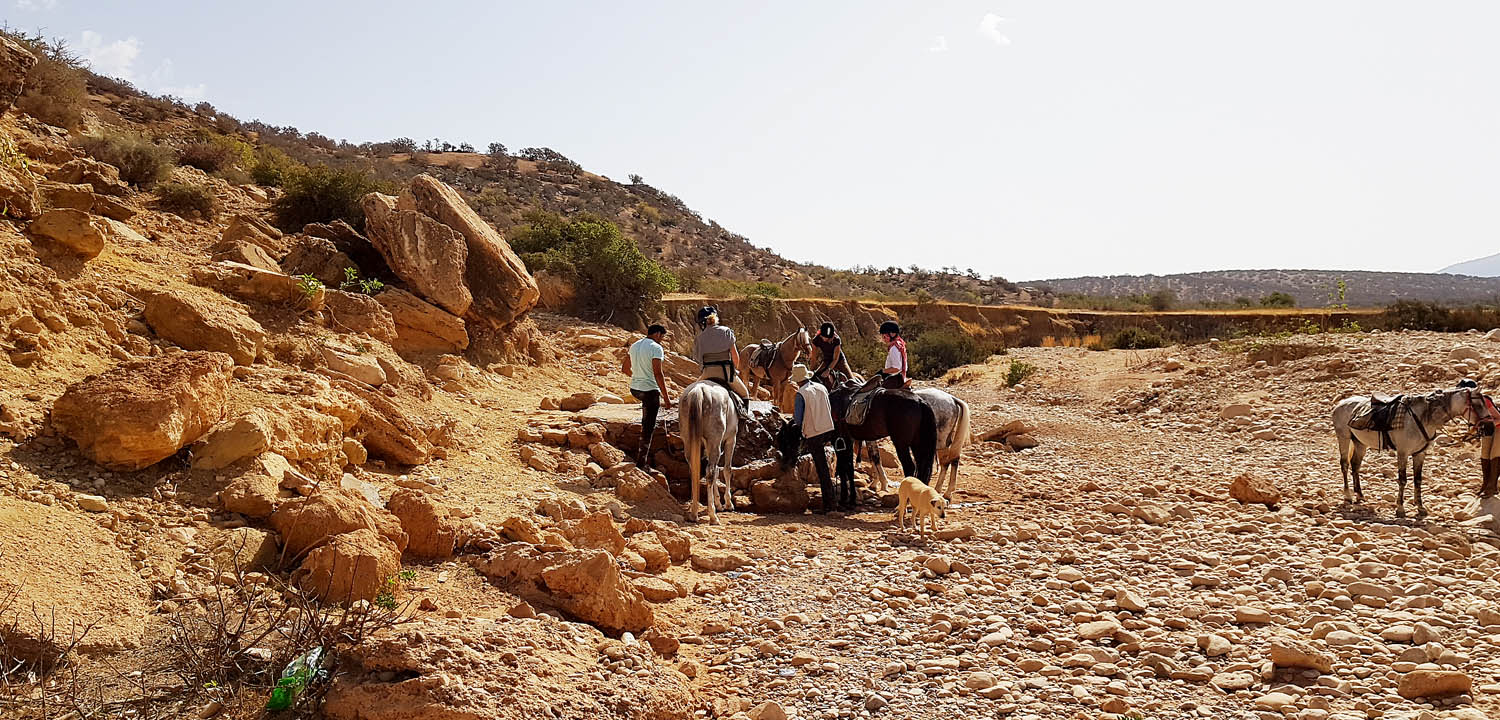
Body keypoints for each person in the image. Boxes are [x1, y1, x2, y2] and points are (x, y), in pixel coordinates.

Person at [790, 364, 847, 512]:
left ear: (797, 380)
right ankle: (839, 498)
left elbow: (798, 419)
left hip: (813, 432)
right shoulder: (821, 387)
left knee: (822, 469)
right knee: (828, 467)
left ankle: (829, 505)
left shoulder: (801, 393)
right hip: (829, 429)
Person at [623, 324, 672, 468]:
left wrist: (638, 377)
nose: (661, 340)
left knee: (646, 415)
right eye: (662, 337)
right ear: (657, 334)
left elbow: (625, 369)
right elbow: (658, 374)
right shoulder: (656, 348)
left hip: (635, 389)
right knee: (648, 427)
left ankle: (640, 453)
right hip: (649, 390)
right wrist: (667, 398)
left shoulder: (634, 345)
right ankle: (641, 463)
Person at [692, 306, 751, 412]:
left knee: (691, 393)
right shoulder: (726, 331)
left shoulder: (699, 338)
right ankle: (744, 419)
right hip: (726, 374)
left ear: (701, 323)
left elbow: (699, 360)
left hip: (707, 374)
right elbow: (735, 357)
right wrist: (735, 369)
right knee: (745, 394)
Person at [1460, 379, 1500, 497]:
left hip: (1498, 427)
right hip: (1487, 429)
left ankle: (1492, 486)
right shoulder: (1468, 406)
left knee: (1495, 454)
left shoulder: (1485, 401)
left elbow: (1499, 418)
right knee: (1484, 455)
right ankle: (1485, 484)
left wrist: (1482, 422)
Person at [878, 320, 910, 390]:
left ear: (892, 334)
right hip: (900, 376)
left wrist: (882, 371)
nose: (883, 339)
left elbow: (896, 368)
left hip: (895, 379)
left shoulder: (894, 348)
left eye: (884, 336)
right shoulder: (899, 344)